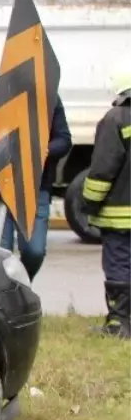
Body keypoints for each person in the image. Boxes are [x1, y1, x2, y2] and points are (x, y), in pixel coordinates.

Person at [0, 83, 72, 280]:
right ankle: (4, 298)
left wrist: (45, 150)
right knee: (1, 250)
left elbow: (64, 139)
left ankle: (21, 285)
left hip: (35, 186)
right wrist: (23, 149)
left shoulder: (48, 97)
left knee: (34, 251)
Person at [79, 69, 131, 337]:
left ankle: (119, 325)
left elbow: (102, 170)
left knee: (119, 265)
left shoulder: (115, 119)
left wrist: (88, 202)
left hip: (120, 216)